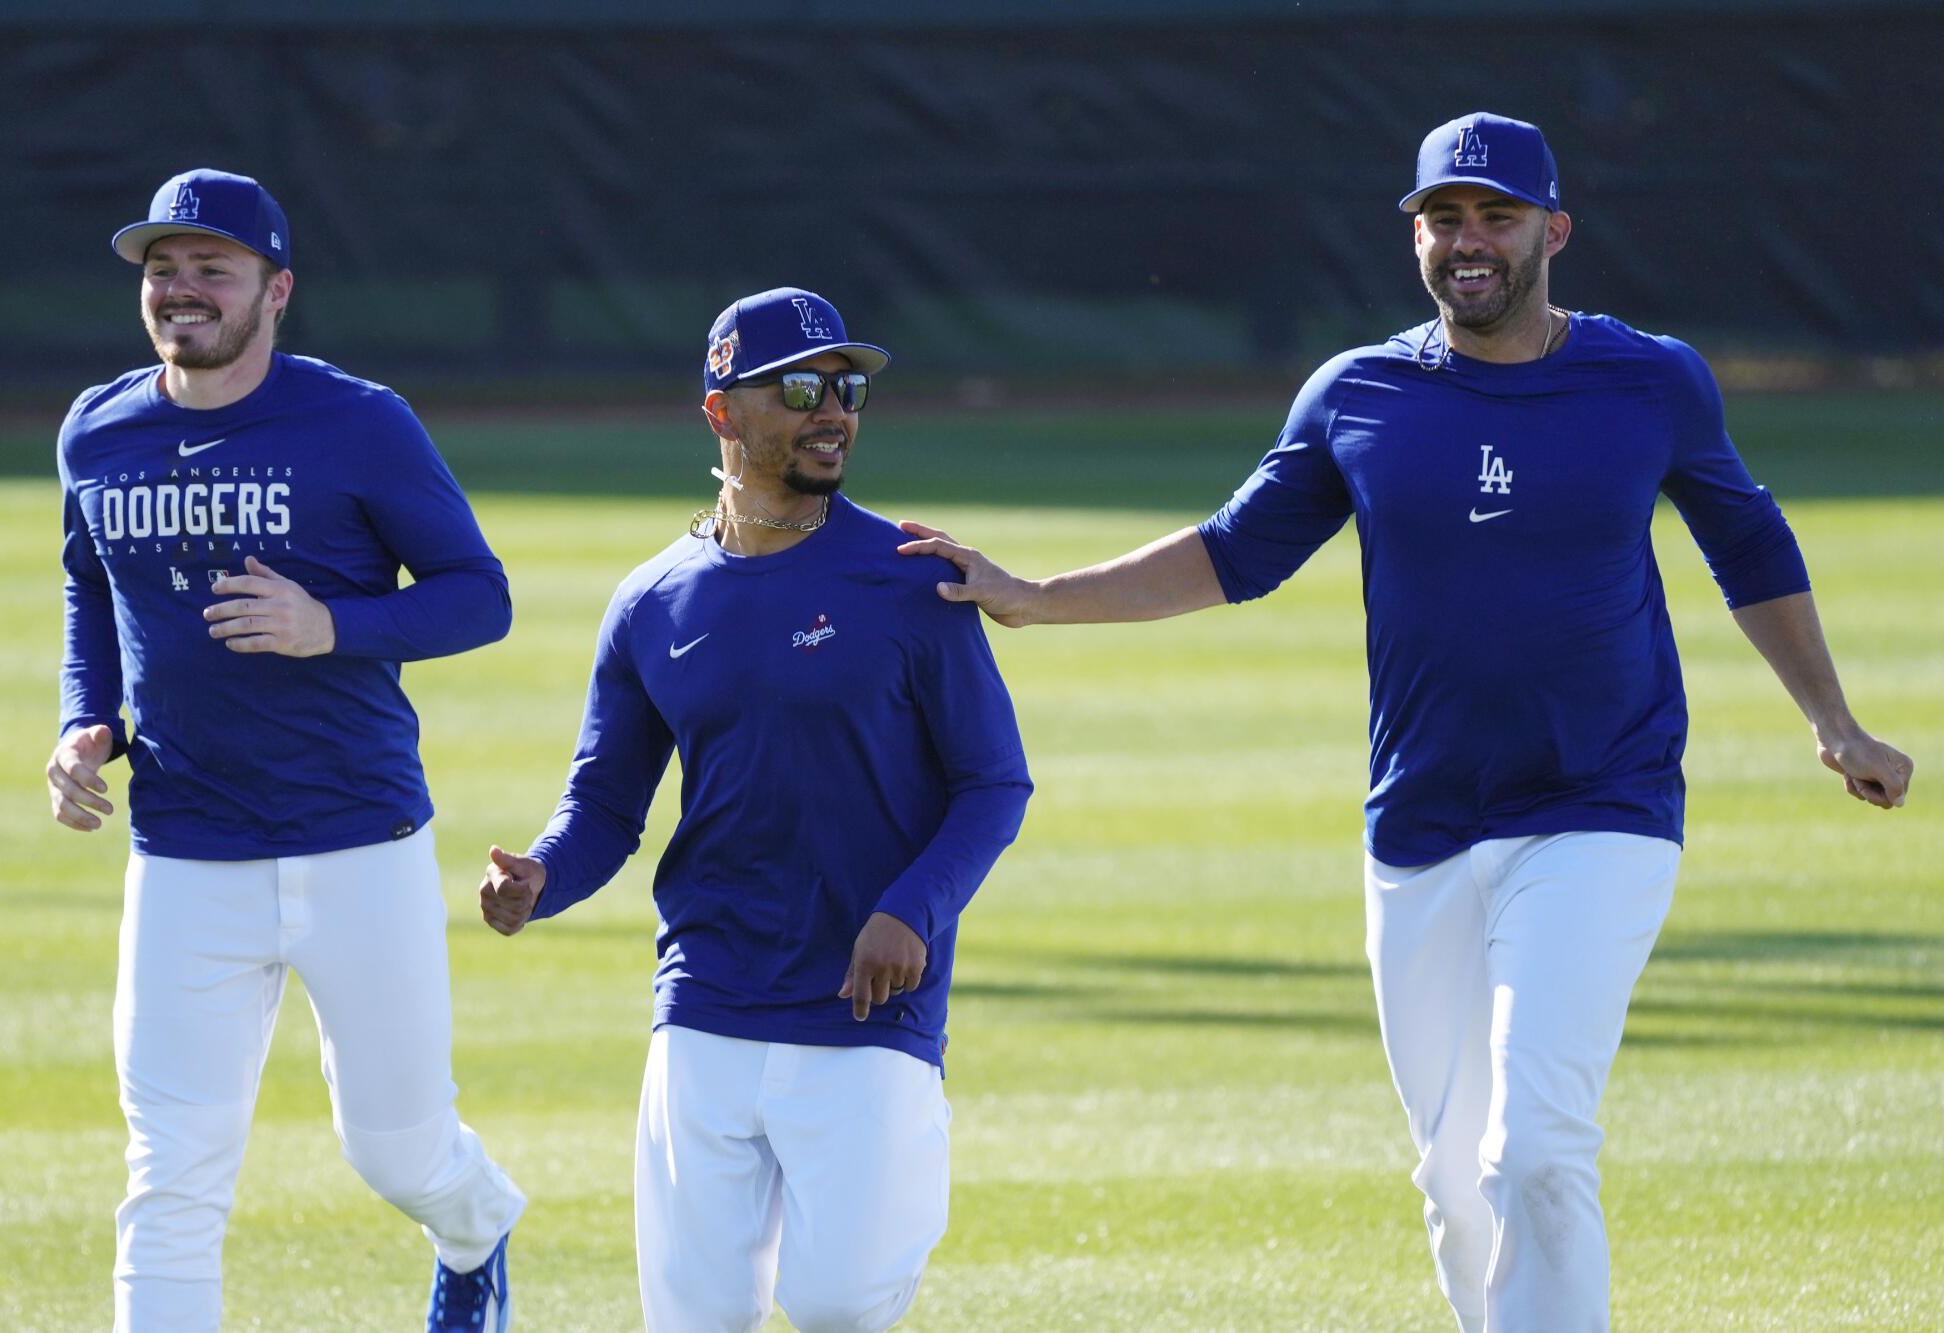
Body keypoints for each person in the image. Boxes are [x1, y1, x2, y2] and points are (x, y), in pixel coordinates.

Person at [897, 113, 1914, 1332]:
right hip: (1418, 825)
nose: (1466, 240)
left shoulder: (1650, 378)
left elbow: (1744, 542)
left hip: (1600, 806)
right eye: (1442, 217)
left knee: (1530, 1145)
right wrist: (1036, 599)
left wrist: (1831, 719)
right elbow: (1237, 553)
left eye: (1494, 215)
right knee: (1450, 1175)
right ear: (1414, 236)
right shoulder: (1357, 393)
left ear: (1554, 229)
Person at [478, 286, 1031, 1331]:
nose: (833, 409)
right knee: (692, 1320)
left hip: (866, 1014)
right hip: (703, 1004)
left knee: (835, 1307)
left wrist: (910, 909)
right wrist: (542, 874)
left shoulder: (911, 580)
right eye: (799, 387)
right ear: (722, 412)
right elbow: (605, 800)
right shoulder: (652, 601)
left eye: (846, 386)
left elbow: (993, 781)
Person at [46, 168, 526, 1333]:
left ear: (277, 289)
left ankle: (476, 1228)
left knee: (399, 1151)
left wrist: (335, 626)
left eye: (213, 268)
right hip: (184, 855)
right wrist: (84, 720)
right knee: (169, 1178)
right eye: (163, 269)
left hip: (358, 842)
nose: (181, 290)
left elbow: (479, 596)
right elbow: (88, 591)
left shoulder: (357, 421)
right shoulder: (98, 428)